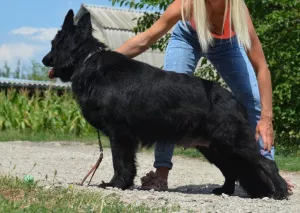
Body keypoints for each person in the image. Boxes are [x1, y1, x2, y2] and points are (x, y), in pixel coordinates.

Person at [115, 0, 294, 192]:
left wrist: (267, 118)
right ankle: (161, 174)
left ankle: (269, 175)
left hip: (227, 45)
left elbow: (262, 67)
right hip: (188, 37)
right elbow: (144, 40)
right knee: (168, 99)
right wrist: (106, 59)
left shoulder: (237, 10)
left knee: (255, 101)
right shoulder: (187, 4)